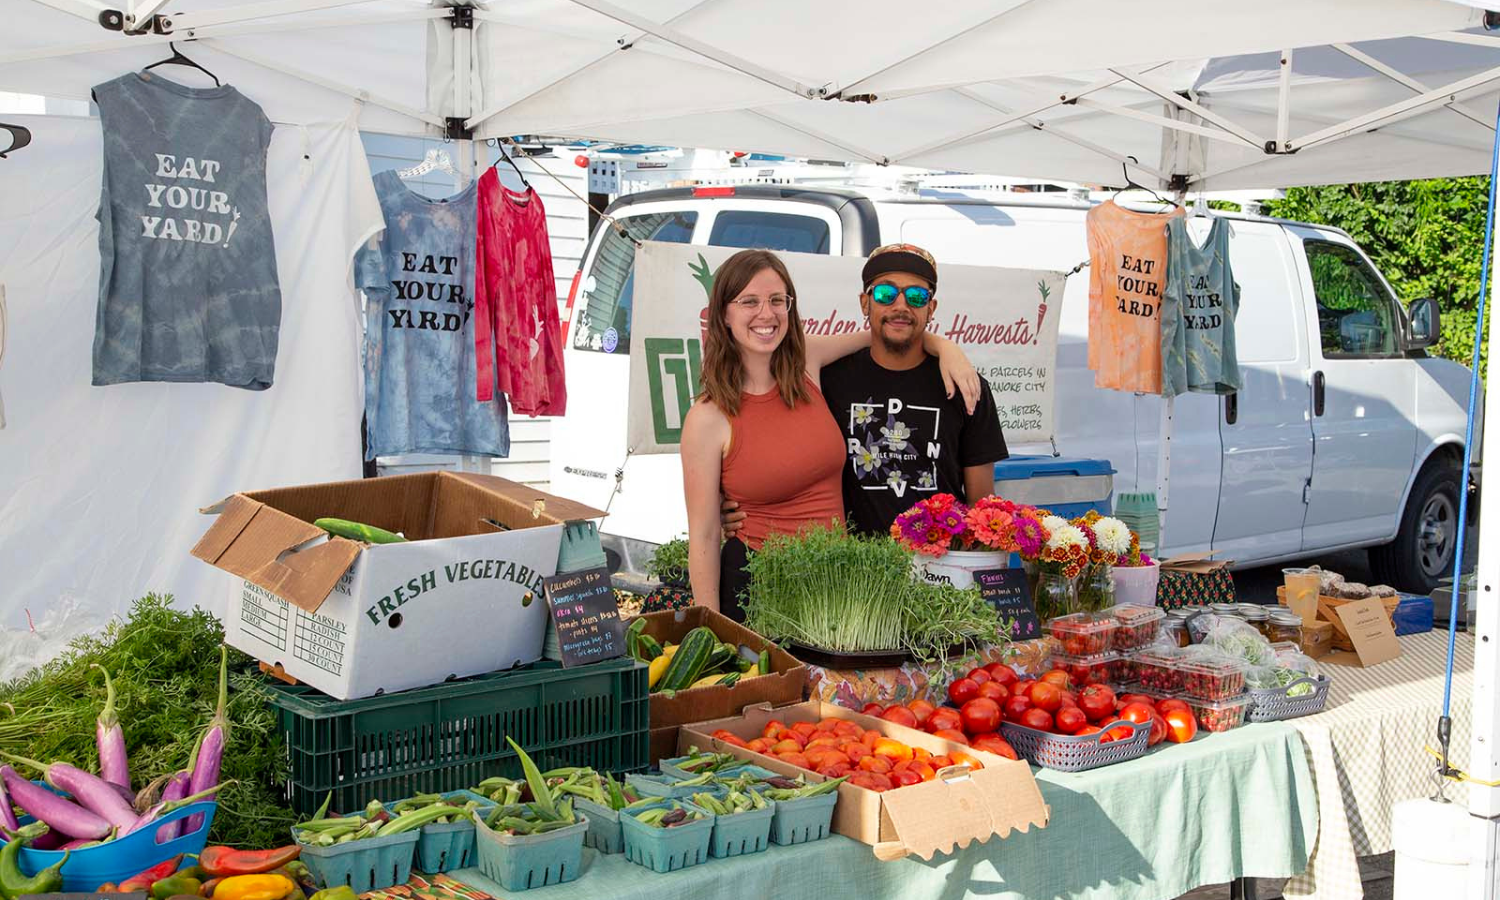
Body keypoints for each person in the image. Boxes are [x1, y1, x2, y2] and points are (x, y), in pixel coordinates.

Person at [681, 248, 980, 622]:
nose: (766, 314)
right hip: (758, 586)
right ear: (724, 313)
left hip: (834, 585)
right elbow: (705, 536)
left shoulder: (808, 364)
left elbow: (884, 333)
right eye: (749, 302)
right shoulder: (707, 418)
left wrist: (946, 348)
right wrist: (710, 627)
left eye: (777, 301)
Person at [723, 243, 1008, 541]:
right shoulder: (826, 380)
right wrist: (732, 503)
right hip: (853, 573)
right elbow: (768, 452)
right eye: (885, 294)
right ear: (864, 303)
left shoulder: (965, 386)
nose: (901, 306)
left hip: (939, 570)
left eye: (916, 296)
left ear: (931, 308)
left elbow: (982, 506)